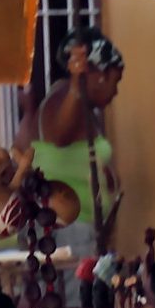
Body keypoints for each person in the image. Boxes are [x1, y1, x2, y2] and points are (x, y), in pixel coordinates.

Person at [27, 30, 124, 252]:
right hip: (70, 235)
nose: (116, 91)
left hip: (83, 231)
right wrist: (75, 87)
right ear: (99, 73)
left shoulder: (85, 108)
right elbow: (59, 135)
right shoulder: (63, 99)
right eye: (115, 80)